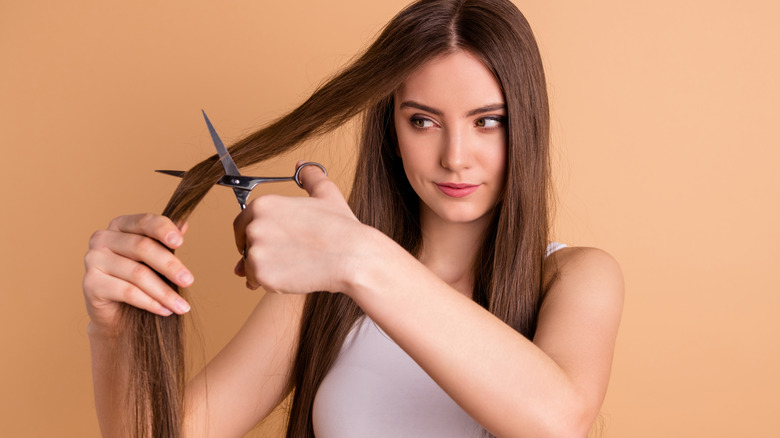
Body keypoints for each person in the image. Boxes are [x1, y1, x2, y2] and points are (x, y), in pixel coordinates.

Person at [83, 0, 624, 437]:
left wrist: (355, 255)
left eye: (487, 121)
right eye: (423, 121)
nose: (455, 156)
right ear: (391, 130)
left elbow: (556, 421)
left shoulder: (576, 278)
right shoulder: (322, 287)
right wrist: (110, 332)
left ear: (526, 125)